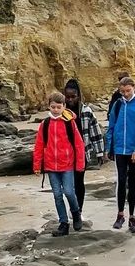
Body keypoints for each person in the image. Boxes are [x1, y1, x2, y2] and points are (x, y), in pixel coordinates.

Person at [34, 91, 86, 236]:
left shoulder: (70, 123)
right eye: (53, 107)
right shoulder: (45, 124)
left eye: (58, 107)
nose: (55, 110)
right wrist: (37, 165)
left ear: (64, 106)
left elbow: (79, 144)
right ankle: (63, 223)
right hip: (51, 166)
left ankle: (75, 212)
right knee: (57, 195)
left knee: (69, 192)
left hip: (67, 165)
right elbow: (39, 145)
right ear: (49, 107)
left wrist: (80, 164)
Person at [104, 77, 135, 233]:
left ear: (134, 89)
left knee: (132, 182)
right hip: (119, 150)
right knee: (121, 180)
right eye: (122, 91)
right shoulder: (117, 105)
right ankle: (120, 214)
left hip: (134, 150)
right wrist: (108, 147)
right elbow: (111, 126)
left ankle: (133, 217)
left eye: (128, 91)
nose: (125, 94)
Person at [63, 79, 104, 220]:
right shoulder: (61, 112)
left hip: (82, 153)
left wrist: (99, 153)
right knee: (68, 185)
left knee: (79, 182)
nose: (70, 100)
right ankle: (73, 208)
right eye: (67, 97)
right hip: (65, 154)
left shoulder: (86, 112)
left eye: (73, 97)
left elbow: (95, 132)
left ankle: (78, 210)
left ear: (78, 96)